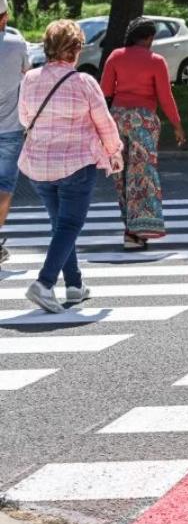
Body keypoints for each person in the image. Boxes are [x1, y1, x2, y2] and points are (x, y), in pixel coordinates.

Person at [18, 20, 123, 314]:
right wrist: (115, 152)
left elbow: (25, 119)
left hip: (39, 166)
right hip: (76, 164)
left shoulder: (31, 79)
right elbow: (105, 123)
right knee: (70, 225)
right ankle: (44, 283)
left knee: (60, 225)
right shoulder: (84, 82)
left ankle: (74, 284)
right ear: (76, 49)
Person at [101, 18, 186, 250]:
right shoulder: (156, 61)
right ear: (148, 38)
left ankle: (129, 229)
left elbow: (105, 91)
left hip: (117, 119)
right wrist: (177, 126)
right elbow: (165, 97)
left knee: (121, 175)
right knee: (142, 175)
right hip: (144, 122)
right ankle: (138, 231)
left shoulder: (115, 56)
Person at [0, 0, 30, 264]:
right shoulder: (17, 44)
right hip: (9, 129)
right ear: (5, 16)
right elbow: (27, 73)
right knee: (5, 186)